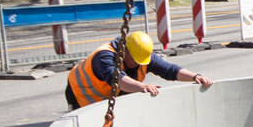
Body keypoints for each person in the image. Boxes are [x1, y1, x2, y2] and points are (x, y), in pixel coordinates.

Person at [66, 31, 213, 110]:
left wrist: (195, 77)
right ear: (125, 52)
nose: (138, 64)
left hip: (108, 96)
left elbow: (169, 70)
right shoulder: (105, 57)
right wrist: (143, 87)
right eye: (135, 60)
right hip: (80, 92)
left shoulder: (143, 55)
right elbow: (119, 80)